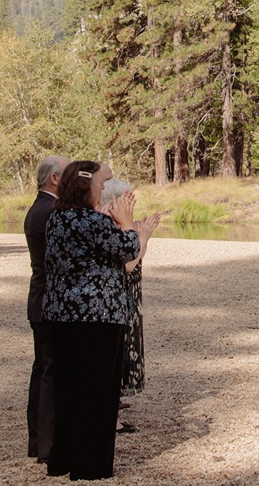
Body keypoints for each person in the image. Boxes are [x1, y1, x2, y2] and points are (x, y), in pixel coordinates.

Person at [42, 161, 156, 481]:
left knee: (68, 391)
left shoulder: (56, 219)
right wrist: (128, 222)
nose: (108, 186)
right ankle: (90, 466)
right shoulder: (93, 222)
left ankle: (61, 459)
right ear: (89, 185)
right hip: (98, 317)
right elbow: (129, 249)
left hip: (60, 315)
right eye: (105, 181)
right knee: (97, 393)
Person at [98, 178, 160, 434]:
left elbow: (135, 257)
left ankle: (114, 407)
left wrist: (141, 235)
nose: (131, 205)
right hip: (118, 299)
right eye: (127, 200)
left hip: (128, 296)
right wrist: (143, 235)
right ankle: (110, 416)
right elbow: (128, 263)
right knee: (115, 358)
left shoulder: (118, 225)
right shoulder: (109, 227)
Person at [24, 154, 66, 463]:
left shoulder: (39, 208)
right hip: (49, 300)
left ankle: (39, 442)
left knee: (43, 371)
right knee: (51, 373)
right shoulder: (49, 211)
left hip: (40, 298)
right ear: (54, 179)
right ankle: (48, 447)